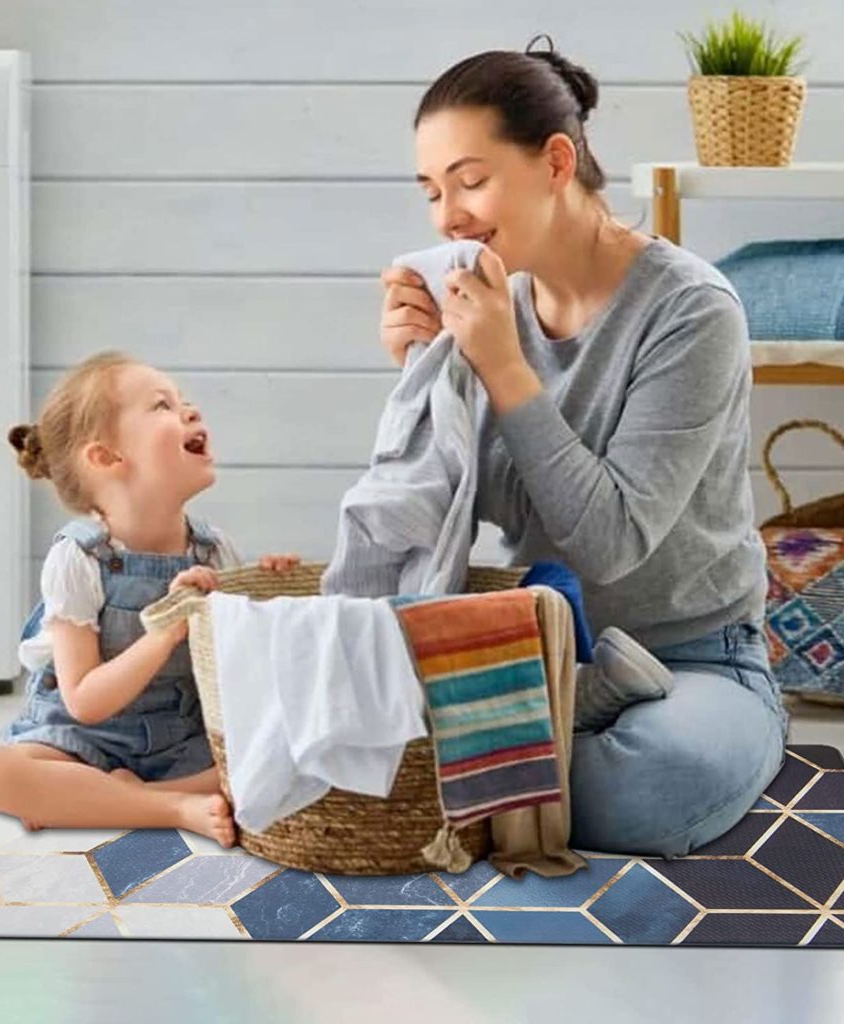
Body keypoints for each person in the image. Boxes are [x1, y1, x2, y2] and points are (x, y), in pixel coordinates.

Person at [378, 37, 787, 857]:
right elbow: (494, 506)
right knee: (352, 724)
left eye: (470, 180)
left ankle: (506, 764)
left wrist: (501, 366)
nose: (447, 215)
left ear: (556, 162)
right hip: (537, 649)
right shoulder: (493, 307)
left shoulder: (692, 311)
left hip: (695, 661)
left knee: (653, 780)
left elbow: (609, 543)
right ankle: (545, 733)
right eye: (432, 191)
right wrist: (428, 377)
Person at [0, 351, 298, 845]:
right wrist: (166, 630)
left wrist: (268, 598)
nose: (190, 411)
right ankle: (170, 808)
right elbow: (83, 703)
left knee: (290, 755)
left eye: (183, 402)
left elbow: (240, 666)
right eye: (163, 405)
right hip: (85, 739)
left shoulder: (213, 549)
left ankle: (96, 801)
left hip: (181, 735)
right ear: (106, 457)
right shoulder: (79, 558)